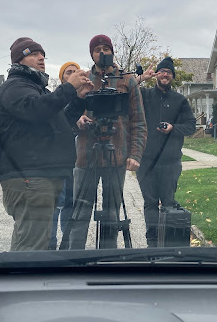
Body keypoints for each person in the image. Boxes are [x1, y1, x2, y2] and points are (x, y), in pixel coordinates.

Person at [0, 38, 92, 251]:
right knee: (31, 248)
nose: (41, 58)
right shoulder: (15, 87)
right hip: (29, 179)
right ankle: (23, 283)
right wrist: (68, 88)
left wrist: (79, 99)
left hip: (40, 178)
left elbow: (62, 123)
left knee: (36, 244)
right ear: (19, 60)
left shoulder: (37, 89)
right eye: (34, 54)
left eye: (43, 54)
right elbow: (37, 110)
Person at [68, 34, 147, 249]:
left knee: (112, 214)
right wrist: (78, 120)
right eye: (97, 49)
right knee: (80, 213)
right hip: (86, 155)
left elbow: (138, 121)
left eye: (106, 48)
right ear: (91, 54)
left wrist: (135, 154)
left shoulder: (127, 80)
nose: (102, 53)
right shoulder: (82, 79)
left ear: (112, 51)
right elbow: (68, 113)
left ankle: (107, 259)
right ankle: (75, 261)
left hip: (117, 156)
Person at [136, 56, 196, 247]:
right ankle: (152, 242)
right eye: (162, 71)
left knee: (168, 203)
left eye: (168, 72)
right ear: (156, 75)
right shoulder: (144, 95)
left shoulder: (180, 101)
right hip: (146, 161)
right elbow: (126, 93)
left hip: (170, 162)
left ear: (172, 77)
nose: (165, 74)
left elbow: (191, 126)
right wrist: (140, 79)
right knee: (150, 204)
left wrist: (173, 128)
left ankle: (169, 244)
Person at [48, 61, 81, 250]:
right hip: (57, 161)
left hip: (79, 160)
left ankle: (67, 246)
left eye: (76, 72)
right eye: (68, 72)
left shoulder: (85, 97)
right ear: (62, 78)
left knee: (71, 204)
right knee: (55, 204)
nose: (73, 74)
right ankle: (50, 244)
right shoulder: (56, 98)